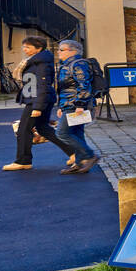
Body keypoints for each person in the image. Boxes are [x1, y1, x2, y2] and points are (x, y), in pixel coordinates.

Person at [2, 36, 78, 172]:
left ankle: (23, 161)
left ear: (39, 48)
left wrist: (37, 107)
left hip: (37, 100)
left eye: (28, 47)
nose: (24, 49)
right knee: (43, 128)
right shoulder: (34, 61)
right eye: (24, 46)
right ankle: (74, 153)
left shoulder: (41, 63)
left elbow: (42, 85)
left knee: (23, 130)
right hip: (39, 99)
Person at [53, 40, 100, 173]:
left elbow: (84, 85)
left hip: (77, 105)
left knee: (62, 133)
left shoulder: (78, 64)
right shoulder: (67, 65)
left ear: (73, 51)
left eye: (61, 50)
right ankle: (79, 164)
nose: (58, 52)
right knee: (76, 133)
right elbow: (65, 88)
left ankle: (90, 155)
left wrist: (80, 105)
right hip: (70, 104)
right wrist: (61, 107)